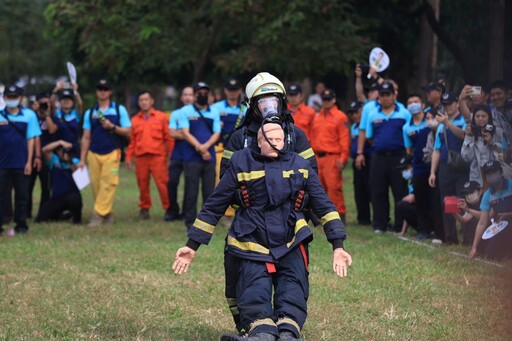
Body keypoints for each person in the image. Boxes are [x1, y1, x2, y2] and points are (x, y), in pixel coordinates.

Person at [173, 123, 352, 341]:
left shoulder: (300, 164)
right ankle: (262, 333)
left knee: (293, 285)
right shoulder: (241, 163)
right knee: (253, 287)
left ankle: (288, 333)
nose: (275, 143)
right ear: (258, 142)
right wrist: (192, 245)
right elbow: (215, 205)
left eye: (279, 139)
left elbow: (324, 205)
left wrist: (338, 245)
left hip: (291, 238)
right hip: (251, 239)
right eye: (270, 140)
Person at [220, 72, 318, 334]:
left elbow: (312, 175)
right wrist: (237, 197)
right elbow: (224, 180)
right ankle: (251, 326)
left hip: (289, 224)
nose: (269, 107)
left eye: (274, 100)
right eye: (263, 102)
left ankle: (287, 328)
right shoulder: (239, 138)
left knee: (293, 278)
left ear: (283, 102)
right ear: (252, 106)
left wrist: (305, 201)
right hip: (250, 225)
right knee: (242, 276)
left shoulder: (295, 136)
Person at [78, 79, 132, 227]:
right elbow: (86, 136)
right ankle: (107, 213)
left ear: (110, 92)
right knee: (96, 185)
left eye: (105, 89)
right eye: (100, 89)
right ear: (97, 92)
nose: (102, 92)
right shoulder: (90, 113)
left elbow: (128, 130)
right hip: (94, 153)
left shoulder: (119, 109)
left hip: (112, 152)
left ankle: (98, 215)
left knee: (108, 184)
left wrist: (112, 127)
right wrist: (82, 159)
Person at [365, 82, 410, 233]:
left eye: (387, 94)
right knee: (378, 191)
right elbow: (370, 137)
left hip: (398, 157)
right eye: (382, 95)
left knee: (399, 191)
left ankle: (399, 225)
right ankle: (380, 224)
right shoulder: (373, 114)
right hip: (379, 157)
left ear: (394, 95)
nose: (385, 98)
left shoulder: (404, 113)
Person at [177, 82, 221, 230]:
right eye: (199, 93)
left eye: (205, 93)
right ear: (194, 95)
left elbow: (217, 132)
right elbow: (185, 132)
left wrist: (206, 146)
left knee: (209, 191)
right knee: (191, 190)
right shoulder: (186, 111)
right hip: (191, 157)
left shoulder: (214, 111)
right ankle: (190, 222)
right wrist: (200, 148)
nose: (202, 95)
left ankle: (207, 222)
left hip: (210, 157)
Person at [126, 91, 174, 220]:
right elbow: (132, 141)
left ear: (151, 101)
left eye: (146, 99)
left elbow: (168, 138)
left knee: (162, 183)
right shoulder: (135, 120)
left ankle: (168, 208)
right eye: (141, 100)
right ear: (138, 102)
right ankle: (144, 208)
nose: (143, 102)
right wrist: (129, 157)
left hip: (158, 156)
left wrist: (172, 155)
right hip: (141, 157)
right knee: (142, 184)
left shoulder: (161, 117)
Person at [0, 84, 41, 235]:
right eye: (9, 97)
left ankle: (21, 224)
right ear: (4, 98)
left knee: (22, 195)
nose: (12, 100)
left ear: (20, 98)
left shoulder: (29, 115)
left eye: (14, 97)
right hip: (2, 163)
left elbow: (31, 139)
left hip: (21, 162)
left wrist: (29, 161)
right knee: (2, 195)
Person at [428, 91, 468, 244]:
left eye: (450, 103)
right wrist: (432, 172)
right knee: (446, 202)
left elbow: (464, 135)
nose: (448, 107)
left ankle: (467, 238)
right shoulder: (441, 124)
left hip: (462, 168)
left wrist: (447, 123)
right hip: (445, 168)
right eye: (444, 105)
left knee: (464, 201)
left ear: (457, 103)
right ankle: (450, 237)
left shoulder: (464, 120)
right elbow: (436, 150)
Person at [310, 88, 350, 220]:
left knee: (334, 188)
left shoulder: (340, 117)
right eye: (324, 100)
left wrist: (343, 158)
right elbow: (312, 136)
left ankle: (339, 216)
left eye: (329, 99)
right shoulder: (317, 117)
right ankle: (321, 215)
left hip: (332, 157)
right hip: (317, 157)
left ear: (333, 100)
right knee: (318, 188)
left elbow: (344, 139)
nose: (326, 102)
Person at [402, 94, 435, 239]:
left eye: (416, 101)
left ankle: (438, 229)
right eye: (410, 102)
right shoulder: (406, 127)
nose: (413, 104)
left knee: (433, 199)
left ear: (422, 104)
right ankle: (423, 230)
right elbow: (408, 150)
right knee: (420, 200)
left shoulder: (430, 120)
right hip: (418, 167)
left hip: (433, 165)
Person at [469, 161, 512, 260]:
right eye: (488, 174)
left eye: (493, 172)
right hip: (502, 226)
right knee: (491, 255)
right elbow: (482, 222)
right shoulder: (487, 195)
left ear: (501, 172)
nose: (490, 176)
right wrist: (474, 248)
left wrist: (508, 215)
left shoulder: (511, 185)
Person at [166, 86, 195, 221]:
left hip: (192, 155)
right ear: (181, 97)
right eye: (185, 94)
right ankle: (172, 209)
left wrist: (182, 133)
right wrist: (190, 135)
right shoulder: (176, 113)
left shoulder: (198, 113)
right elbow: (171, 133)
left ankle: (186, 212)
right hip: (177, 154)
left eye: (190, 94)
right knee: (172, 182)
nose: (188, 97)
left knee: (190, 184)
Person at [37, 140, 82, 224]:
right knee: (41, 218)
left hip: (72, 195)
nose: (63, 153)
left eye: (65, 150)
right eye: (60, 150)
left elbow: (78, 175)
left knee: (75, 199)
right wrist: (60, 142)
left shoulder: (75, 161)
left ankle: (77, 219)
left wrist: (69, 161)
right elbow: (44, 150)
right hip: (57, 197)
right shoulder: (54, 160)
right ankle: (60, 216)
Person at [461, 105, 509, 185]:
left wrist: (491, 142)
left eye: (483, 116)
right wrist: (469, 137)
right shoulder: (471, 133)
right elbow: (466, 158)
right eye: (477, 116)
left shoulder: (498, 132)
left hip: (495, 174)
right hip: (477, 177)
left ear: (489, 117)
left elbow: (502, 157)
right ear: (474, 118)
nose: (480, 119)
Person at [28, 92, 57, 220]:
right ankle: (26, 213)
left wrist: (46, 115)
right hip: (31, 156)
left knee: (46, 187)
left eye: (47, 103)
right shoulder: (31, 116)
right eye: (42, 103)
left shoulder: (52, 117)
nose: (44, 106)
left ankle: (43, 214)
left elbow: (52, 130)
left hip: (47, 157)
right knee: (27, 186)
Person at [211, 77, 245, 183]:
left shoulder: (245, 109)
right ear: (225, 90)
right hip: (220, 149)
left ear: (240, 90)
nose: (232, 93)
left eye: (235, 90)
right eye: (230, 90)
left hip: (239, 151)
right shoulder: (215, 108)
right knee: (219, 180)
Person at [348, 101, 371, 225]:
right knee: (359, 190)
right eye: (352, 113)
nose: (354, 116)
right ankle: (363, 218)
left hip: (367, 160)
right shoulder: (354, 127)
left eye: (356, 112)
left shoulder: (366, 125)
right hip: (356, 162)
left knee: (371, 189)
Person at [52, 81, 83, 155]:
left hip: (74, 149)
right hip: (59, 149)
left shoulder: (75, 114)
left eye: (69, 99)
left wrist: (75, 91)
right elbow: (51, 104)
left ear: (72, 102)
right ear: (59, 102)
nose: (66, 101)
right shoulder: (57, 113)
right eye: (64, 99)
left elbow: (80, 104)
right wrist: (55, 90)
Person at [451, 181, 484, 247]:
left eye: (471, 192)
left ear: (480, 191)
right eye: (466, 193)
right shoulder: (472, 204)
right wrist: (453, 212)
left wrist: (468, 209)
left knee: (475, 221)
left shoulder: (485, 199)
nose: (468, 196)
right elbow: (464, 220)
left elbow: (485, 216)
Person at [394, 155, 417, 236]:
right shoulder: (410, 182)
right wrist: (403, 232)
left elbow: (412, 199)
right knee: (403, 206)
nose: (404, 172)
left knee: (402, 205)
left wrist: (403, 200)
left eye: (406, 169)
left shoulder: (417, 179)